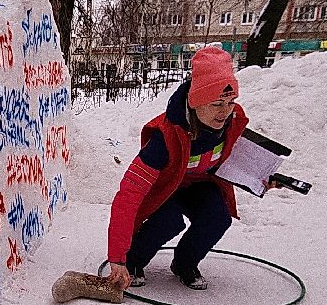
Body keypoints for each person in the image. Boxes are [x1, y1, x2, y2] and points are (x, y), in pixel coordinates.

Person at [105, 47, 247, 291]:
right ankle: (134, 261)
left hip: (199, 186)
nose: (225, 111)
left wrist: (265, 179)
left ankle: (185, 263)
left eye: (230, 102)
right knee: (168, 221)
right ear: (196, 103)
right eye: (216, 103)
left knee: (218, 218)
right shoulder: (165, 138)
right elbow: (128, 196)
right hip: (165, 189)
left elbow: (241, 160)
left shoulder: (231, 122)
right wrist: (117, 258)